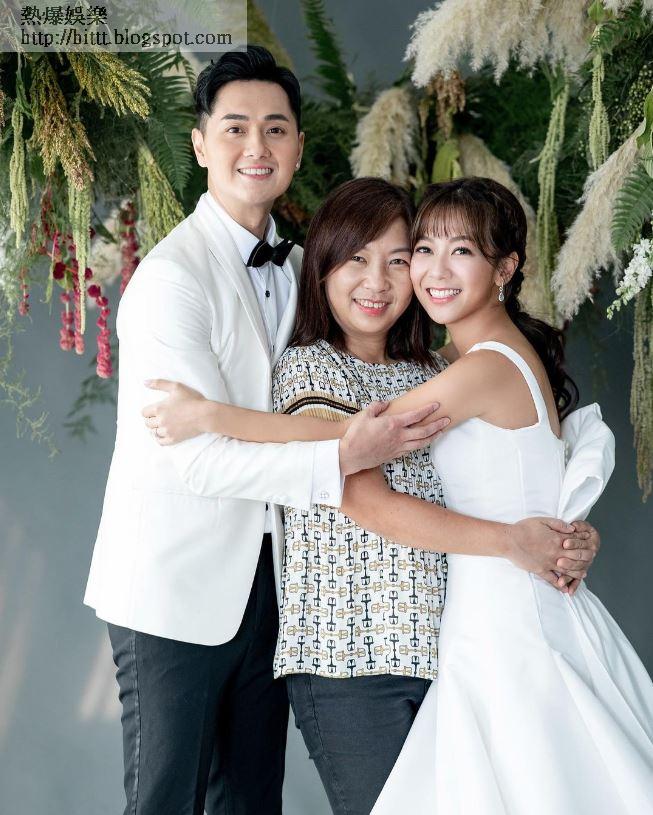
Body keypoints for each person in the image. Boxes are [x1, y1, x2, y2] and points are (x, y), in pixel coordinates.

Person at [143, 178, 603, 814]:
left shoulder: (435, 368)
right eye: (357, 259)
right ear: (323, 268)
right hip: (351, 657)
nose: (378, 281)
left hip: (443, 649)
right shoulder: (310, 366)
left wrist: (568, 532)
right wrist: (211, 417)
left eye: (397, 259)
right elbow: (360, 479)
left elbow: (507, 463)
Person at [83, 47, 449, 815]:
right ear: (199, 144)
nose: (257, 146)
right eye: (236, 128)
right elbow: (199, 463)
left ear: (297, 147)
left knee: (250, 801)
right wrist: (342, 457)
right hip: (174, 586)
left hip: (272, 588)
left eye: (275, 128)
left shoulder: (305, 269)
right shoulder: (171, 279)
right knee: (164, 799)